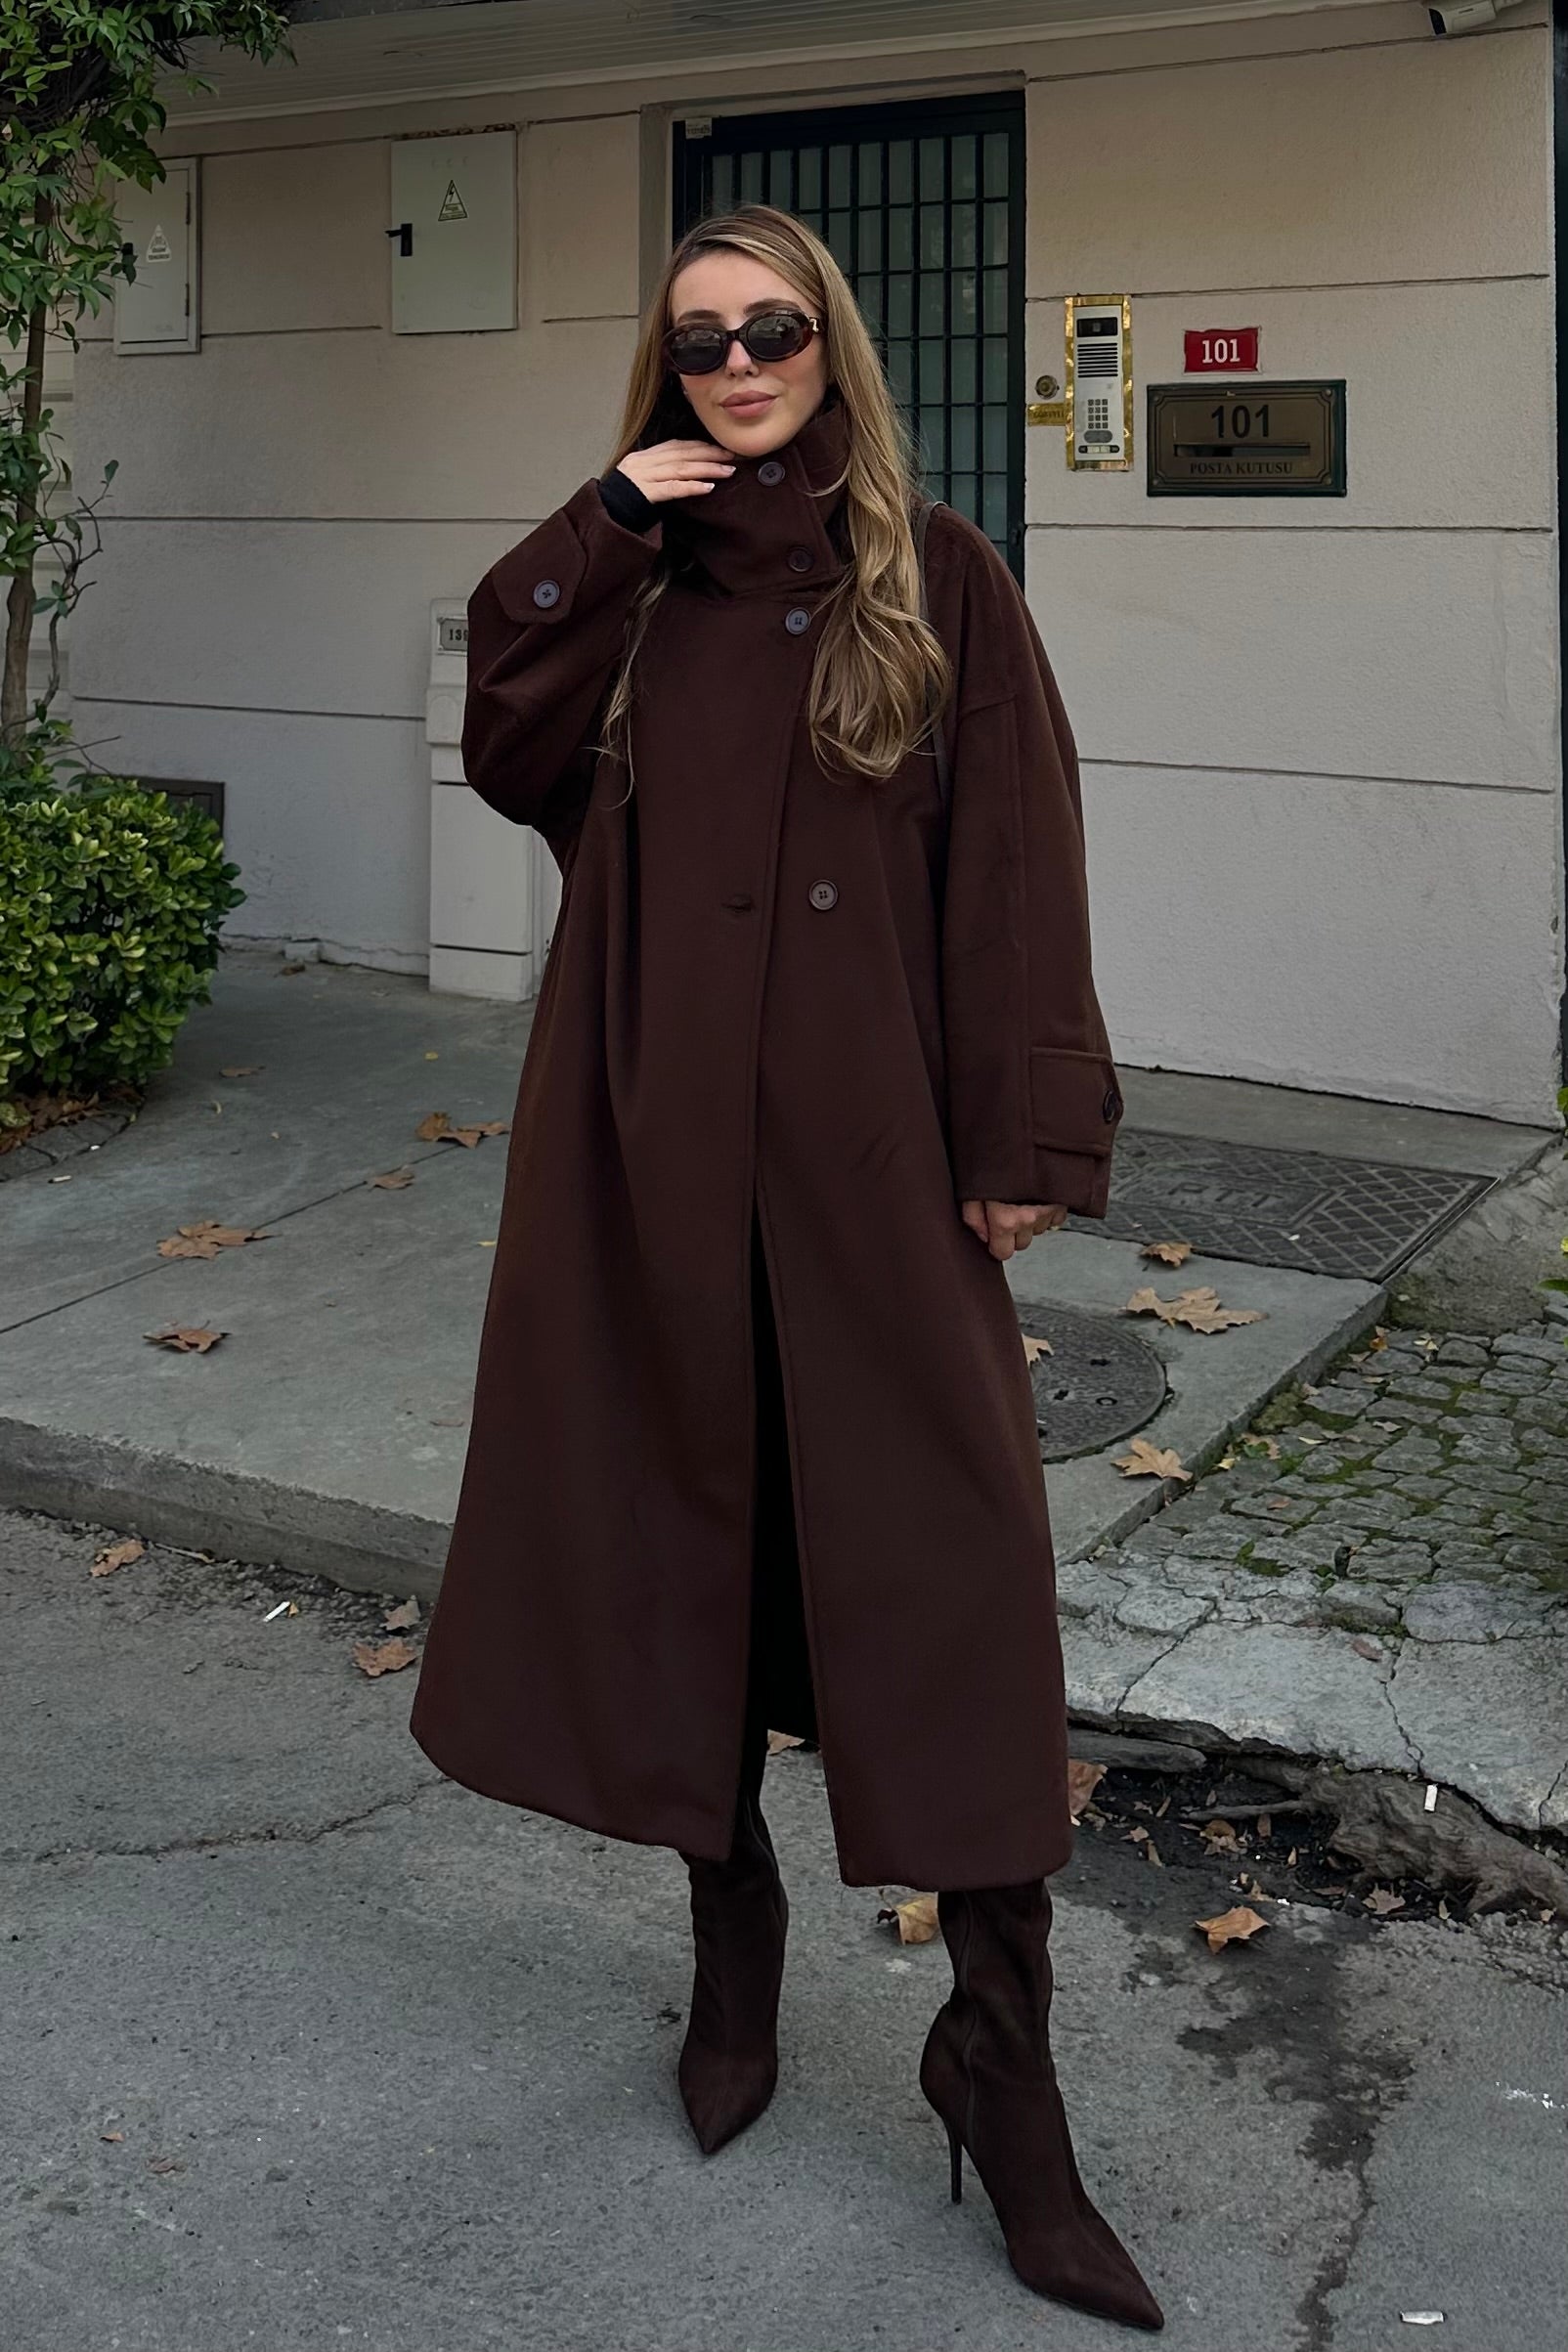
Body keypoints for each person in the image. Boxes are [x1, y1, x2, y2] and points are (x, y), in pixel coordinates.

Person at [409, 201, 1159, 2334]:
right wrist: (601, 521)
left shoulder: (940, 582)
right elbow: (504, 746)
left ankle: (1001, 2063)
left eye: (771, 330)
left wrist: (1024, 1138)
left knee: (953, 1591)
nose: (739, 365)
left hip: (871, 1179)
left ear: (832, 345)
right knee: (688, 1564)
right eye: (701, 342)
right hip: (647, 1164)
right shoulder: (633, 599)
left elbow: (1019, 865)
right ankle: (728, 1940)